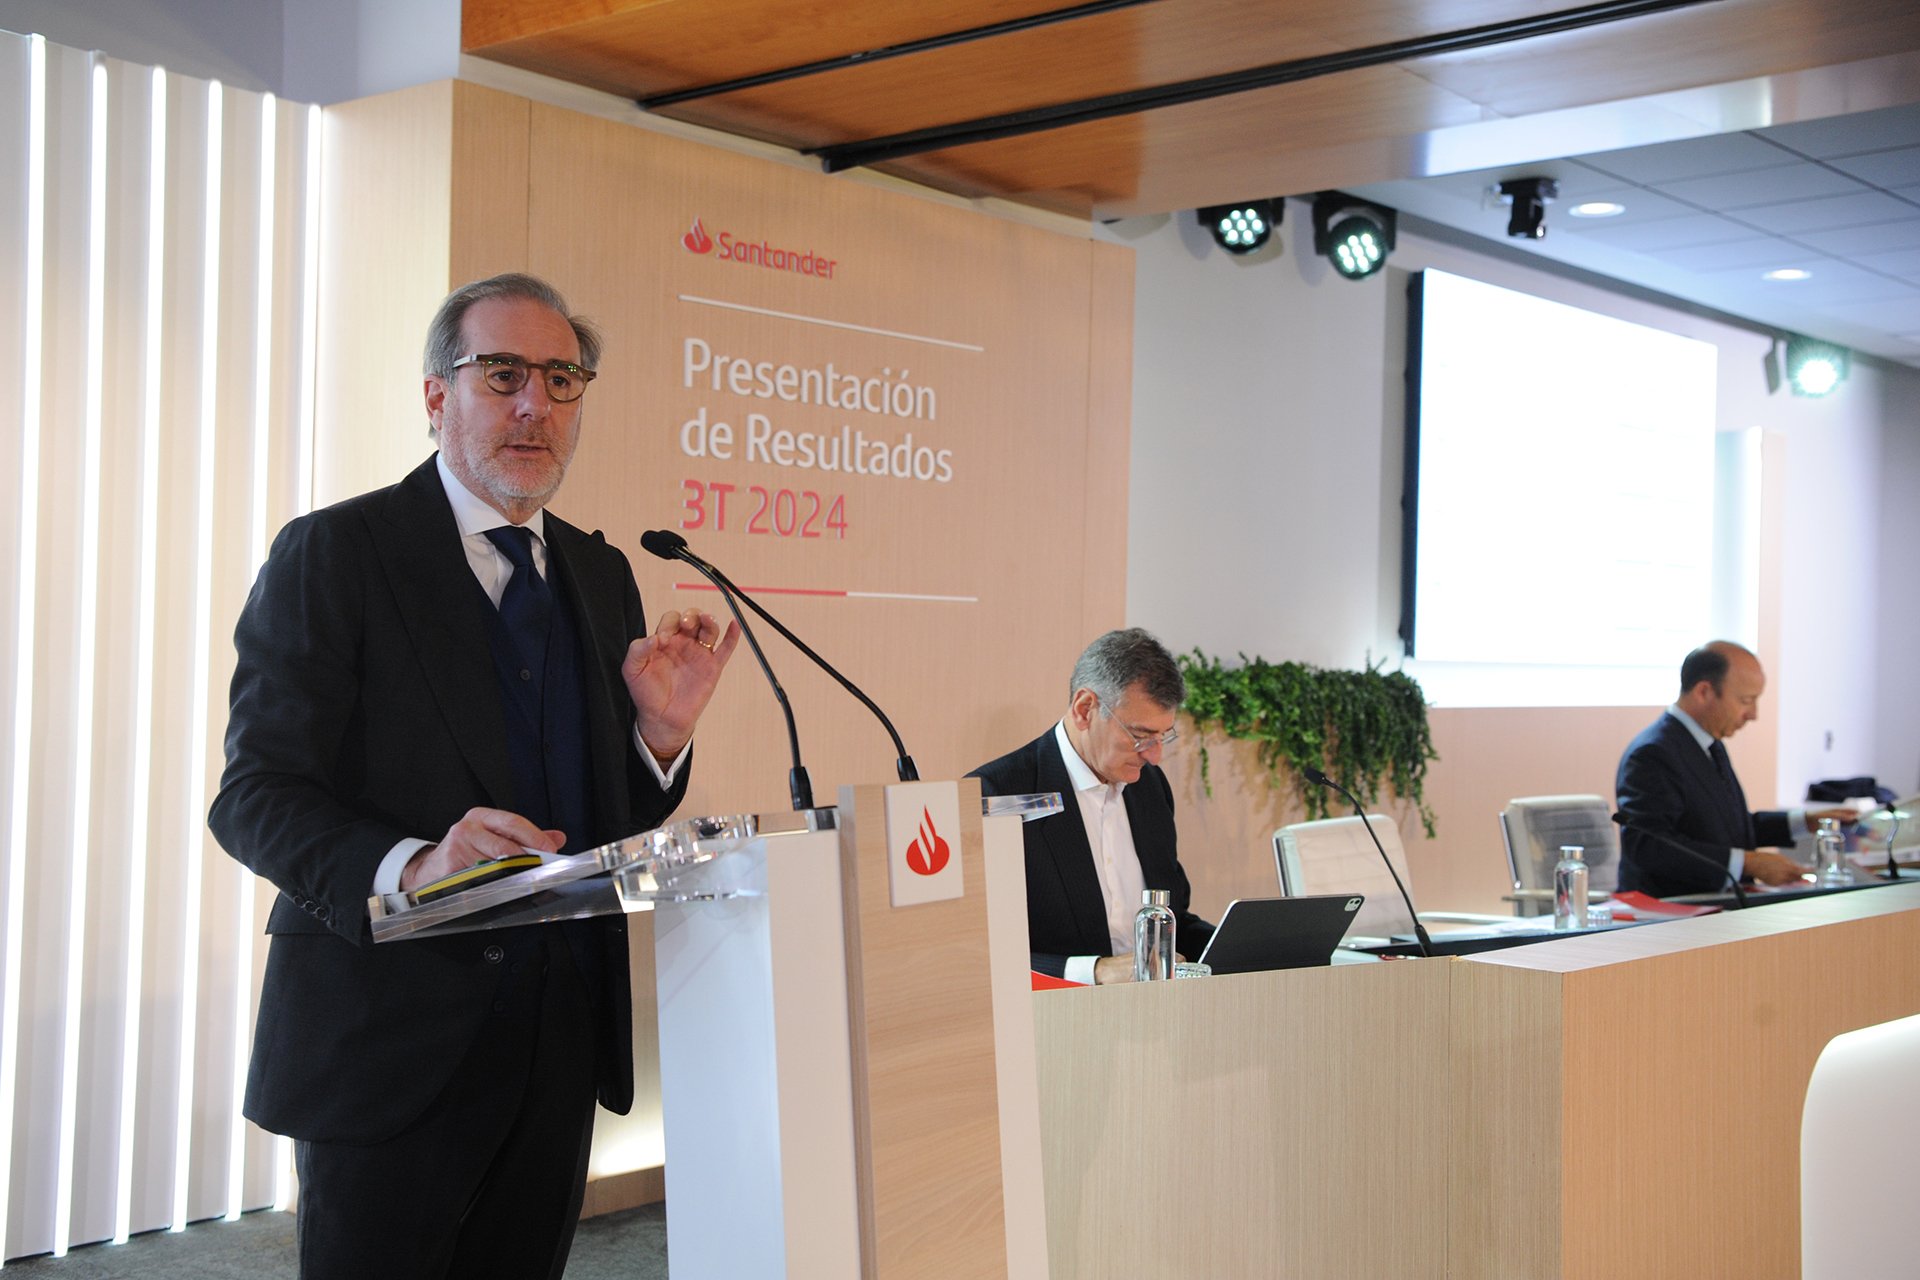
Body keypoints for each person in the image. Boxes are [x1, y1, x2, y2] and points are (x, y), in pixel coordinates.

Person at [208, 273, 740, 1279]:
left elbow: (602, 812)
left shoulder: (600, 573)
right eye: (503, 374)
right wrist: (414, 865)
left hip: (556, 1042)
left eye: (561, 379)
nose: (535, 403)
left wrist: (659, 739)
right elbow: (254, 796)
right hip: (387, 1041)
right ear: (435, 395)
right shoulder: (337, 553)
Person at [970, 628, 1213, 983]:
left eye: (1164, 736)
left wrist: (1249, 948)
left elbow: (1173, 916)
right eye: (1140, 736)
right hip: (1054, 1008)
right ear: (1085, 709)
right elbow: (976, 950)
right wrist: (1095, 971)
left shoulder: (1150, 786)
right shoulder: (996, 793)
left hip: (1155, 1006)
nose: (1155, 756)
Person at [1615, 641, 1851, 898]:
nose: (1753, 714)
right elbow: (1650, 846)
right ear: (1704, 692)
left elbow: (1726, 829)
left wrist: (1803, 821)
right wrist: (1747, 863)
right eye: (1746, 700)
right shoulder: (1653, 753)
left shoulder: (1708, 743)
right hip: (1674, 909)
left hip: (1719, 904)